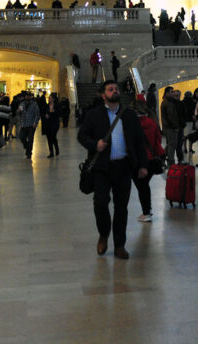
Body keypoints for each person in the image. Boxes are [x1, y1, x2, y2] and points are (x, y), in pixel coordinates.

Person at [77, 80, 149, 259]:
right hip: (101, 167)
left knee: (121, 207)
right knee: (100, 203)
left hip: (123, 167)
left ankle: (119, 245)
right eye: (111, 89)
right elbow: (82, 136)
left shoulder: (129, 114)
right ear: (104, 95)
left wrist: (143, 165)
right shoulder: (94, 114)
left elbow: (140, 141)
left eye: (116, 89)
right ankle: (103, 233)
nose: (115, 91)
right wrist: (95, 144)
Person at [134, 99, 165, 222]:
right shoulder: (152, 123)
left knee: (142, 186)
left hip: (138, 159)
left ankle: (146, 212)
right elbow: (158, 140)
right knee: (144, 185)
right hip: (151, 159)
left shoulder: (134, 124)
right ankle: (147, 211)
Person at [160, 86, 182, 166]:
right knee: (172, 145)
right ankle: (171, 163)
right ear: (167, 93)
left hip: (168, 127)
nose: (173, 93)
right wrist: (175, 127)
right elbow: (171, 116)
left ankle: (162, 157)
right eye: (171, 92)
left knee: (170, 145)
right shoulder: (168, 103)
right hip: (170, 128)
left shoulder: (167, 101)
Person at [17, 92, 40, 159]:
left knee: (30, 139)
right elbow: (18, 112)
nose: (27, 97)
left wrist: (35, 122)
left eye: (28, 96)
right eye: (26, 96)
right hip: (24, 124)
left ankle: (29, 153)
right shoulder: (22, 104)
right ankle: (27, 147)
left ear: (31, 97)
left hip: (31, 124)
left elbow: (37, 114)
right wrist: (18, 111)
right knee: (21, 137)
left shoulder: (34, 104)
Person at [43, 92, 61, 158]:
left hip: (55, 123)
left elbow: (59, 113)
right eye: (48, 98)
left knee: (53, 136)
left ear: (53, 99)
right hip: (48, 123)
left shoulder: (57, 105)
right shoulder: (47, 105)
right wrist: (46, 115)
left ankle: (56, 148)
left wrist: (53, 112)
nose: (49, 99)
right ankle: (51, 152)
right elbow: (45, 112)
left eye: (50, 98)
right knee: (49, 138)